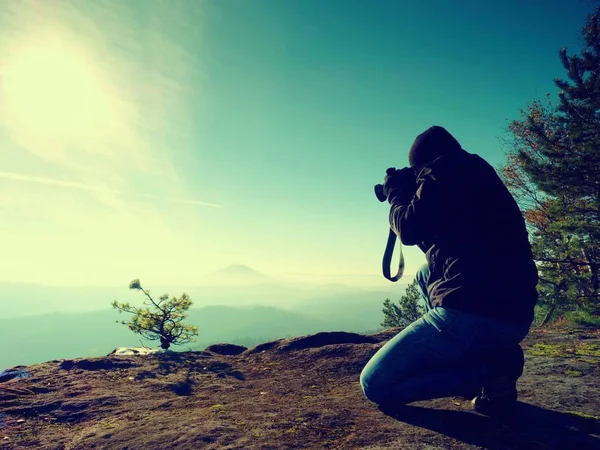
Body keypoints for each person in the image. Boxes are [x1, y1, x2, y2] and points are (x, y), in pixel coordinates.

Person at [360, 126, 539, 417]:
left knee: (375, 384)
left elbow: (407, 228)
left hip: (475, 310)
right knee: (423, 274)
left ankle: (488, 372)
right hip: (515, 315)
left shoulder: (441, 171)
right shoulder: (476, 171)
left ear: (423, 165)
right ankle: (491, 356)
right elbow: (440, 243)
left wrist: (396, 195)